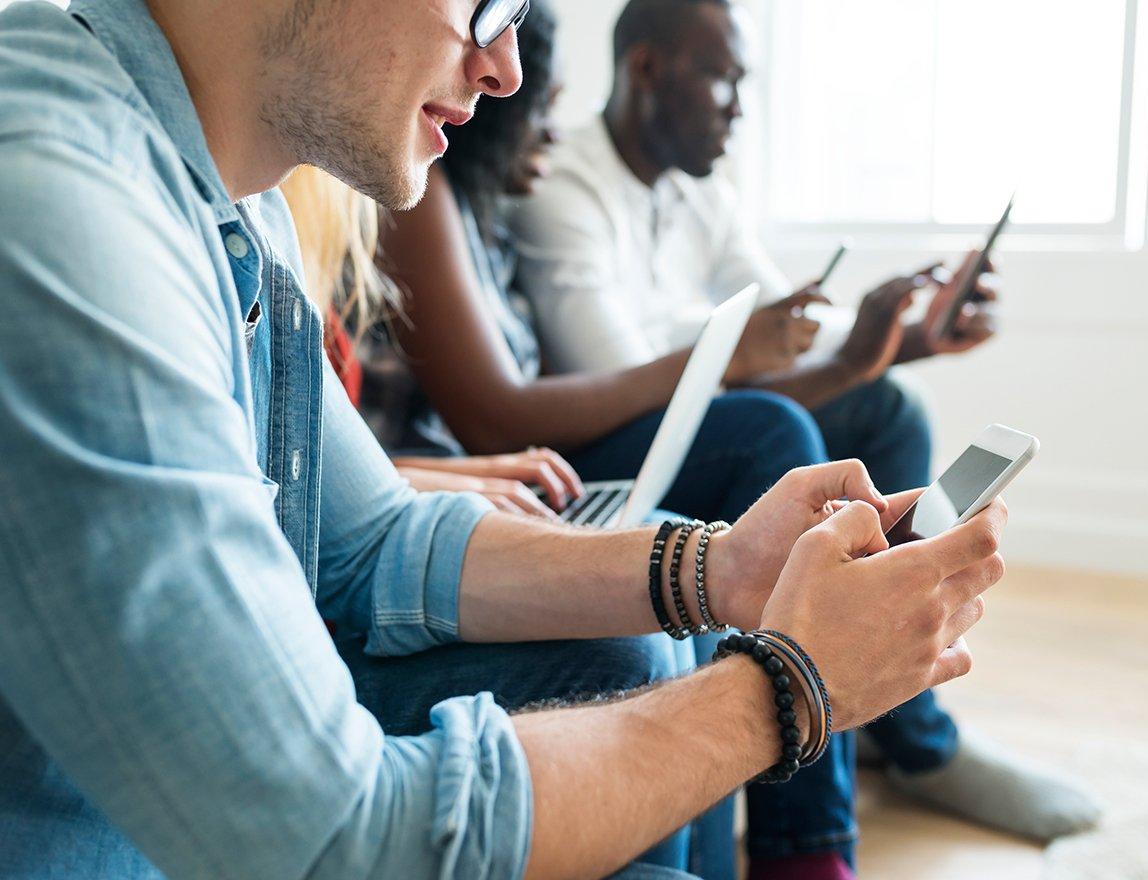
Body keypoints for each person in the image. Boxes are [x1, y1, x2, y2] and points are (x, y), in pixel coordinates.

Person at [0, 2, 1010, 879]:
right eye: (489, 1)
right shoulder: (59, 210)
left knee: (627, 641)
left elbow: (370, 542)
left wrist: (719, 569)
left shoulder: (232, 188)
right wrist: (787, 687)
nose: (507, 69)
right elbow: (335, 839)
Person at [508, 0, 1101, 869]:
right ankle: (808, 839)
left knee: (884, 409)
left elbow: (797, 337)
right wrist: (813, 361)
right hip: (603, 442)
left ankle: (909, 728)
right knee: (775, 430)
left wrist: (901, 341)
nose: (740, 108)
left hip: (694, 420)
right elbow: (640, 388)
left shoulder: (700, 189)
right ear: (646, 70)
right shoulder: (566, 189)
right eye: (723, 80)